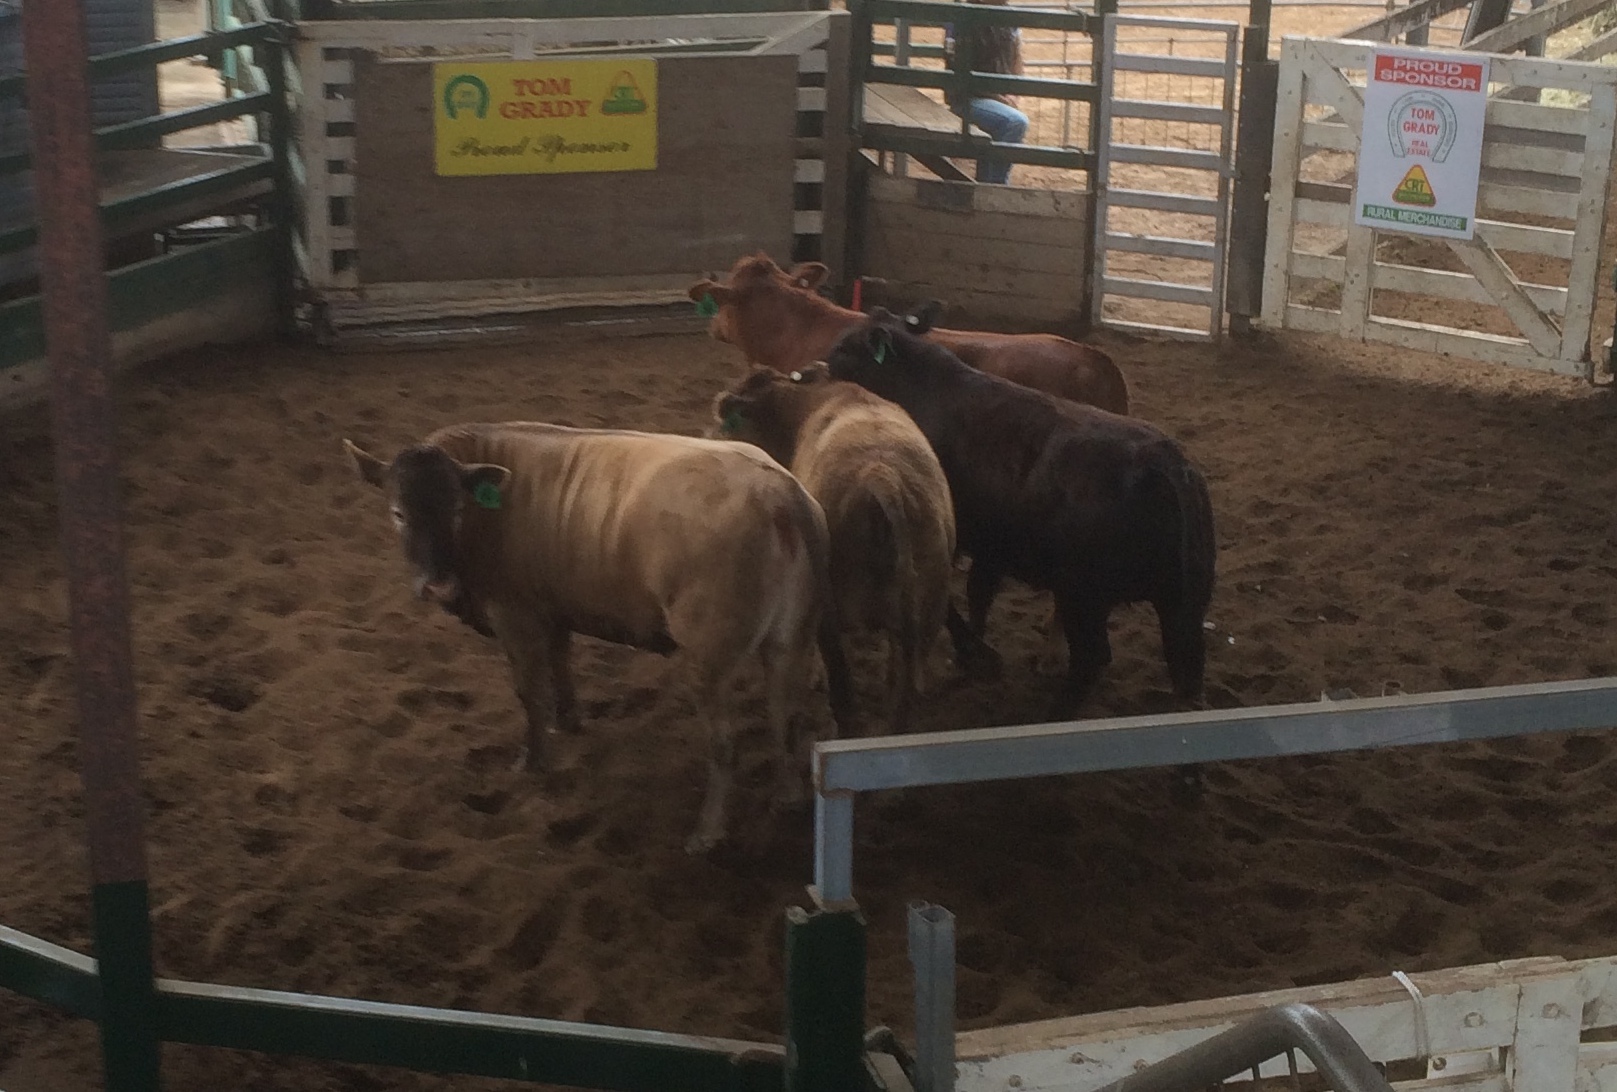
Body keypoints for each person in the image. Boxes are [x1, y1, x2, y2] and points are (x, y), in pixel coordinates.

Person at [942, 0, 1030, 185]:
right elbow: (959, 71)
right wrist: (999, 96)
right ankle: (994, 188)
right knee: (1014, 122)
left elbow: (1017, 56)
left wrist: (1013, 92)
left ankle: (986, 186)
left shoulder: (1008, 16)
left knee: (1009, 121)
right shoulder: (963, 17)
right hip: (968, 98)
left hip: (997, 99)